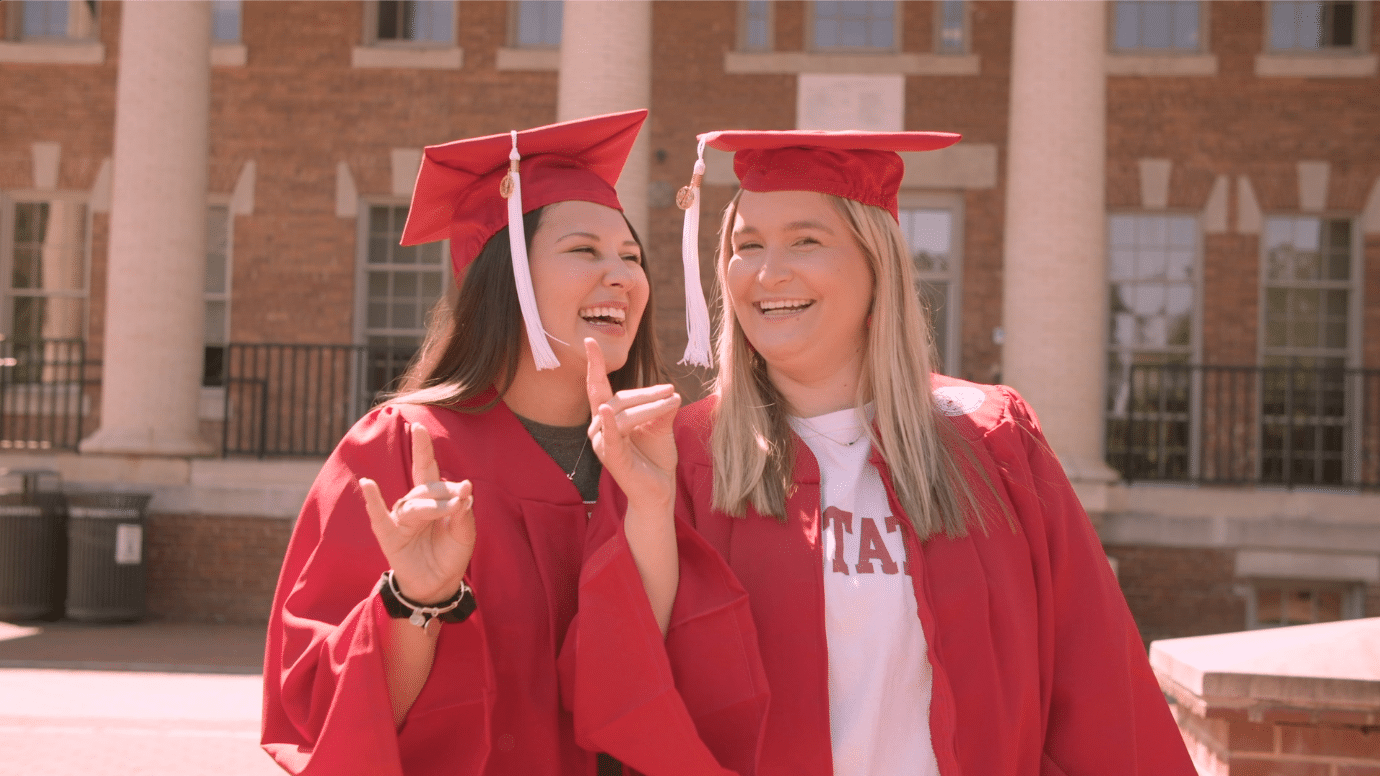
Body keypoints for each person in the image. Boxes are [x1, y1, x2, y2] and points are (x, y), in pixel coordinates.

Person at [566, 130, 1198, 775]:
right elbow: (621, 694)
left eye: (805, 240)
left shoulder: (990, 439)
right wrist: (648, 507)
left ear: (877, 264)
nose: (766, 270)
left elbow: (1099, 686)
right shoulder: (681, 458)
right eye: (745, 245)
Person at [260, 109, 695, 776]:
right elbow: (328, 716)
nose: (623, 276)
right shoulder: (402, 450)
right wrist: (413, 601)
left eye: (631, 257)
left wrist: (652, 507)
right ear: (508, 277)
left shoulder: (661, 451)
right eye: (585, 250)